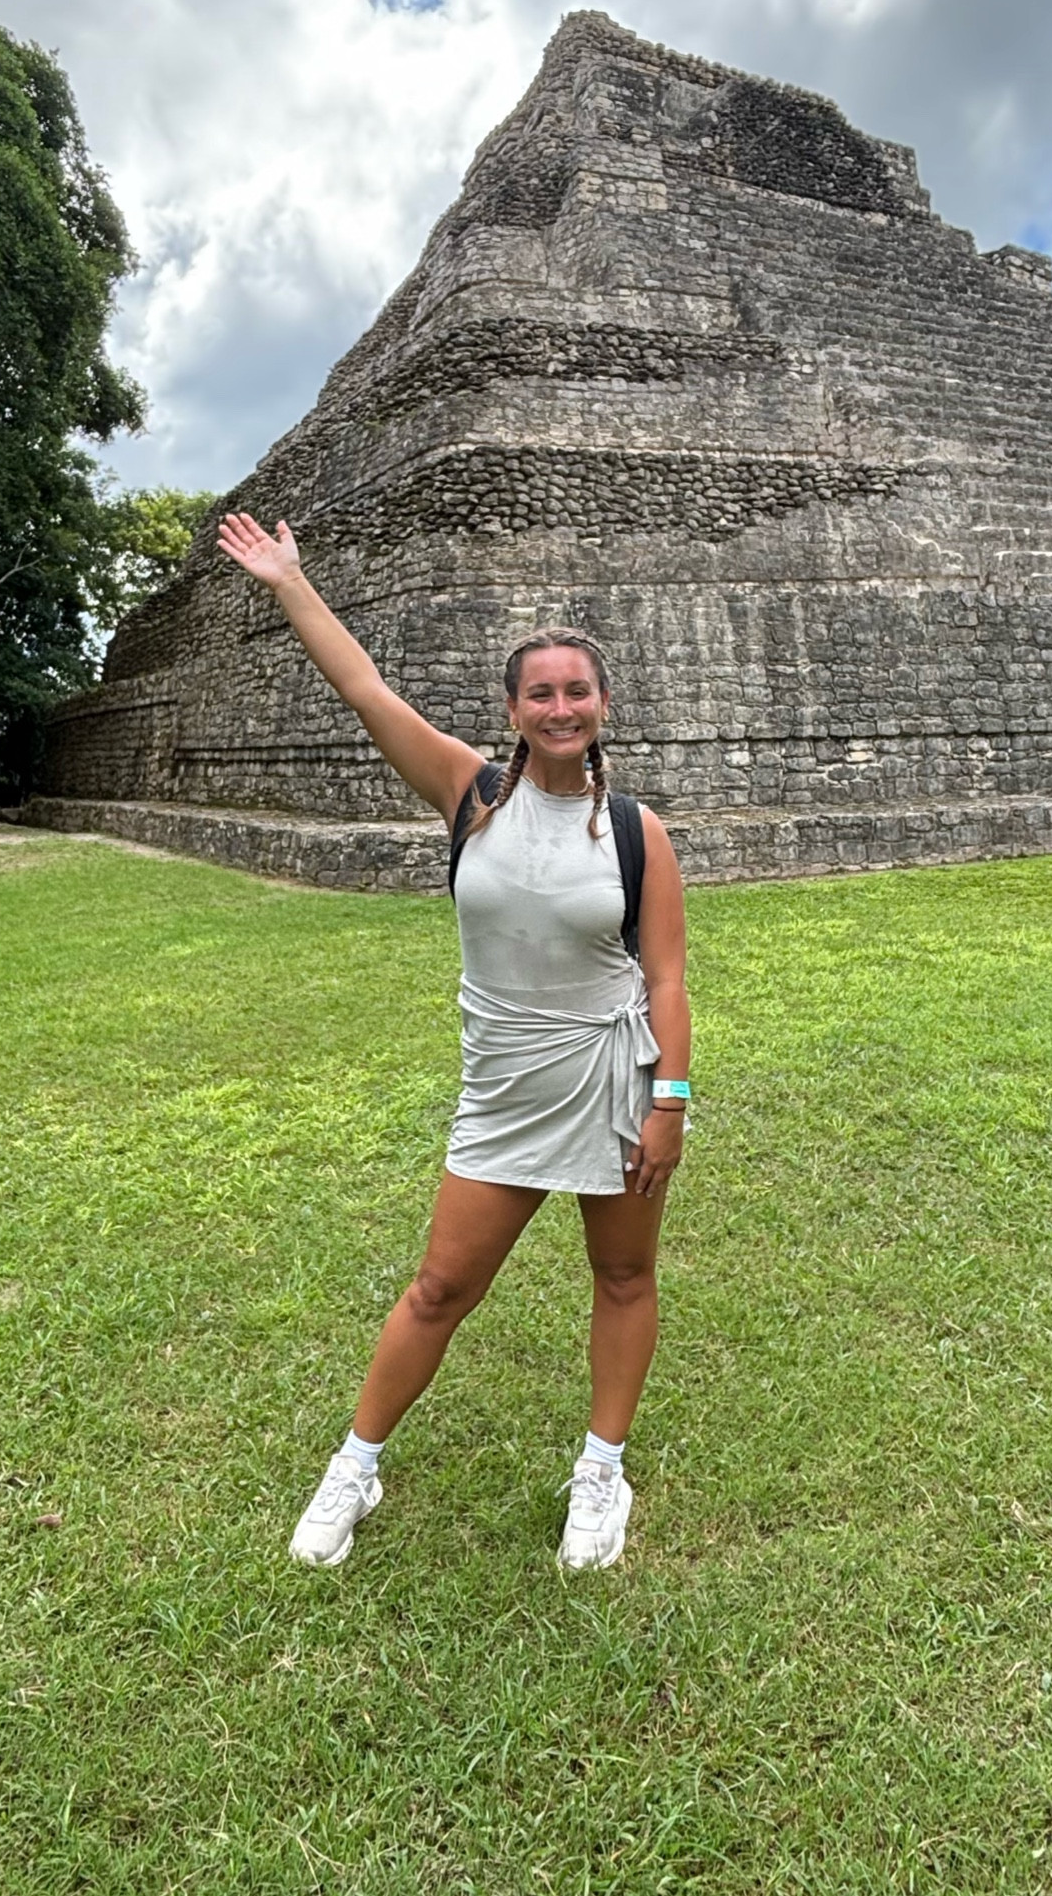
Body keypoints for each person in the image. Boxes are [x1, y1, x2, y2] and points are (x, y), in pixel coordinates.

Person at [216, 511, 692, 1570]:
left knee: (622, 1280)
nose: (560, 706)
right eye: (541, 692)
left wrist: (671, 1104)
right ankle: (356, 1465)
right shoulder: (471, 794)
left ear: (603, 704)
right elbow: (365, 691)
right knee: (439, 1287)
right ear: (513, 709)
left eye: (578, 690)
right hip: (505, 1090)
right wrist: (291, 583)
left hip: (613, 1079)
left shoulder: (635, 830)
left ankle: (600, 1473)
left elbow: (663, 976)